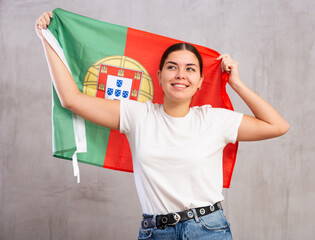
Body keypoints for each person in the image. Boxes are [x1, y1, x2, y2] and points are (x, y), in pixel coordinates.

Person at [35, 11, 289, 240]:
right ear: (159, 76)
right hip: (155, 231)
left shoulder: (214, 119)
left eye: (190, 69)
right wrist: (48, 38)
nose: (180, 75)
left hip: (208, 230)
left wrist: (236, 84)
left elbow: (277, 125)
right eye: (172, 67)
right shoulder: (137, 115)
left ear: (201, 81)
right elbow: (71, 99)